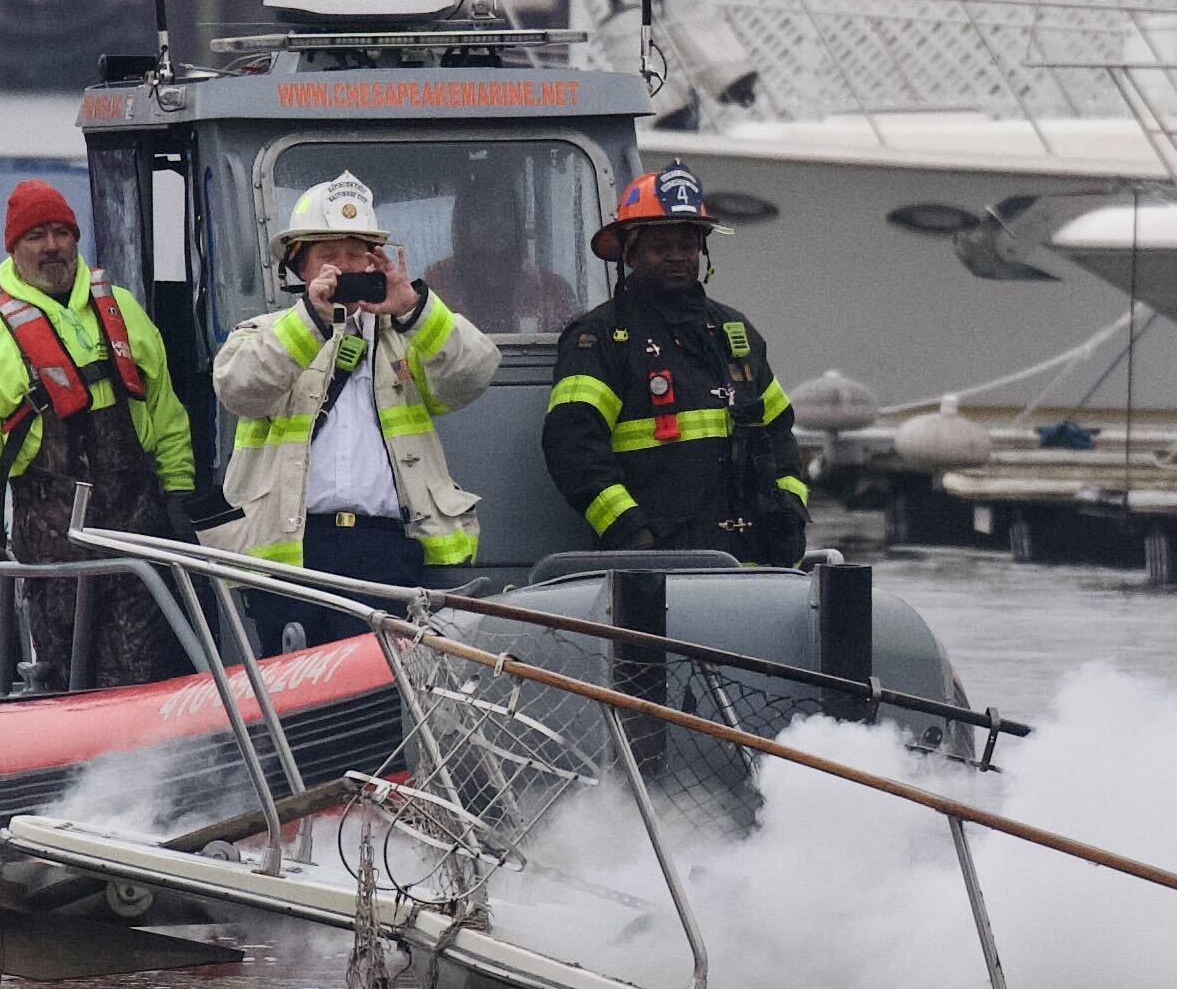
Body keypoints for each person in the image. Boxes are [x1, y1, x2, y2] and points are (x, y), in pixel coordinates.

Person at [208, 172, 501, 642]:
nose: (342, 268)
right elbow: (239, 389)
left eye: (355, 255)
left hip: (384, 549)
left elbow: (475, 373)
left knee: (384, 695)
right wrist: (313, 320)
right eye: (327, 256)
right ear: (299, 269)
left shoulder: (408, 335)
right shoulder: (264, 332)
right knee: (295, 701)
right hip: (292, 553)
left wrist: (414, 308)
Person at [0, 178, 196, 690]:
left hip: (136, 520)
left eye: (62, 232)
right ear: (14, 249)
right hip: (51, 534)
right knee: (65, 670)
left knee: (150, 663)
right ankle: (75, 761)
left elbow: (165, 411)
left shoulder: (122, 309)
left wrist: (180, 493)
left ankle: (160, 758)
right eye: (37, 236)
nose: (53, 246)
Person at [546, 163, 808, 564]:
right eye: (660, 246)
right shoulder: (599, 338)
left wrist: (789, 513)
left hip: (751, 565)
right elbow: (573, 446)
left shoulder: (734, 332)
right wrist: (629, 532)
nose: (677, 257)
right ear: (630, 252)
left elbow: (780, 434)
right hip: (655, 570)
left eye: (686, 245)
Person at [420, 162, 579, 333]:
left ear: (517, 222)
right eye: (483, 214)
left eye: (504, 213)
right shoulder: (436, 288)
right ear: (464, 224)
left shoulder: (551, 290)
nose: (495, 224)